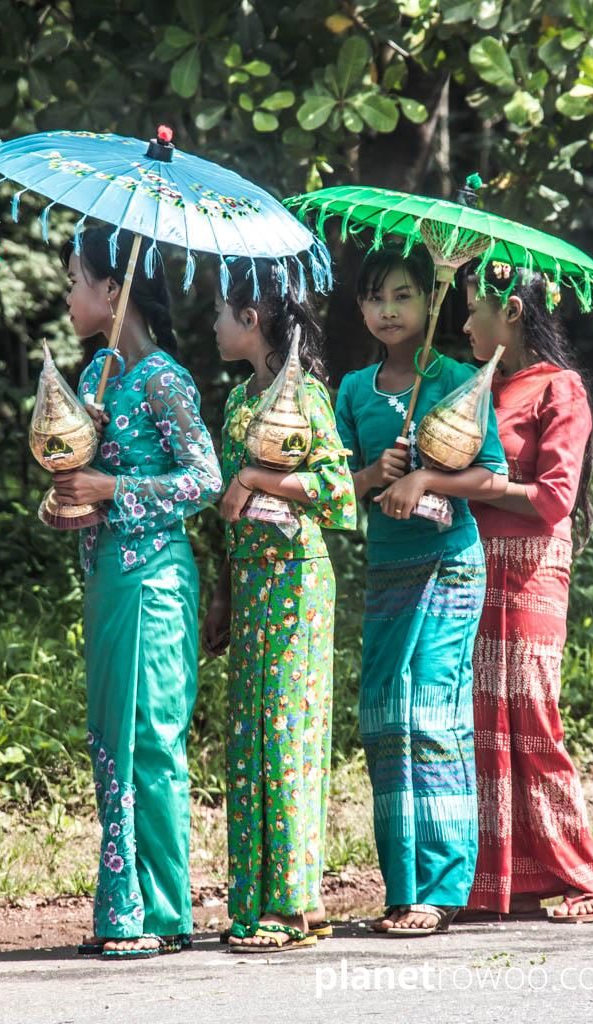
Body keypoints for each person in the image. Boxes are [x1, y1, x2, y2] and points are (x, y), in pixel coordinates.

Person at [53, 226, 222, 958]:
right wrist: (65, 499)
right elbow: (69, 488)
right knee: (109, 740)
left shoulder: (163, 379)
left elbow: (205, 479)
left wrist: (113, 487)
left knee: (150, 737)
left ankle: (164, 910)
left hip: (154, 579)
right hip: (106, 578)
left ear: (112, 292)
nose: (65, 293)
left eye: (74, 279)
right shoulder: (92, 380)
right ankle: (122, 911)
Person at [334, 247, 508, 936]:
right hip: (386, 567)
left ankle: (440, 887)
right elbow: (334, 488)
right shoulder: (350, 390)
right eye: (374, 298)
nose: (387, 310)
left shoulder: (457, 379)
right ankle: (400, 888)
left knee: (432, 715)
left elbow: (491, 477)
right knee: (385, 718)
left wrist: (426, 480)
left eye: (402, 296)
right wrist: (378, 471)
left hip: (448, 562)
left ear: (425, 303)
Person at [204, 257, 356, 952]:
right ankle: (256, 901)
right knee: (249, 739)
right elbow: (227, 511)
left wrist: (258, 472)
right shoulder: (238, 402)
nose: (211, 324)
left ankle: (295, 906)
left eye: (219, 313)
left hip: (298, 582)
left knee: (287, 734)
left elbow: (336, 491)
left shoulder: (310, 398)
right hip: (251, 581)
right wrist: (222, 597)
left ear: (250, 319)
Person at [463, 261, 593, 922]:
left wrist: (472, 486)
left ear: (514, 313)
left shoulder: (560, 389)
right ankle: (502, 881)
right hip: (472, 566)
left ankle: (582, 879)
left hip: (531, 568)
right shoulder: (472, 387)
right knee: (481, 721)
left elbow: (554, 498)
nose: (464, 323)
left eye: (474, 309)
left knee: (529, 711)